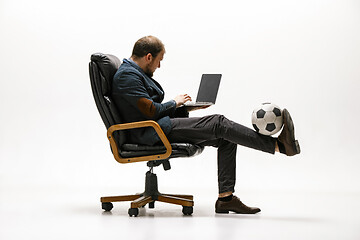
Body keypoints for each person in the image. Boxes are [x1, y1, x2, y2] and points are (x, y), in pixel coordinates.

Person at [112, 36, 301, 214]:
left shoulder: (133, 73)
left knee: (225, 136)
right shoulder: (127, 76)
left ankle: (226, 199)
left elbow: (146, 109)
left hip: (157, 127)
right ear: (148, 57)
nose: (159, 65)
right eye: (159, 60)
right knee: (219, 123)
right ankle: (280, 146)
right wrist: (174, 103)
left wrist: (186, 109)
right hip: (150, 132)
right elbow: (151, 111)